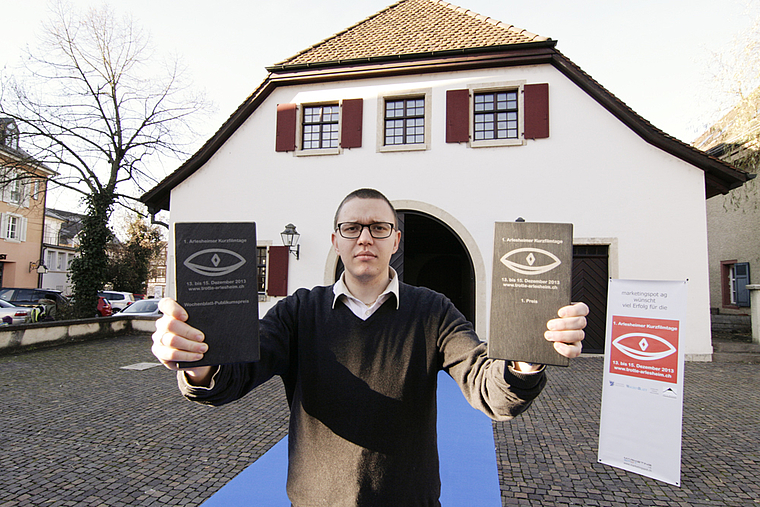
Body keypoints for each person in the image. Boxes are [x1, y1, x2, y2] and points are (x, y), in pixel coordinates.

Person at [152, 188, 588, 506]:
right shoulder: (298, 311)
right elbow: (234, 377)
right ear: (336, 240)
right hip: (315, 501)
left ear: (395, 241)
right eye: (352, 227)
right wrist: (197, 363)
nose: (365, 237)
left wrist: (526, 360)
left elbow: (484, 383)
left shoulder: (433, 311)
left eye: (379, 228)